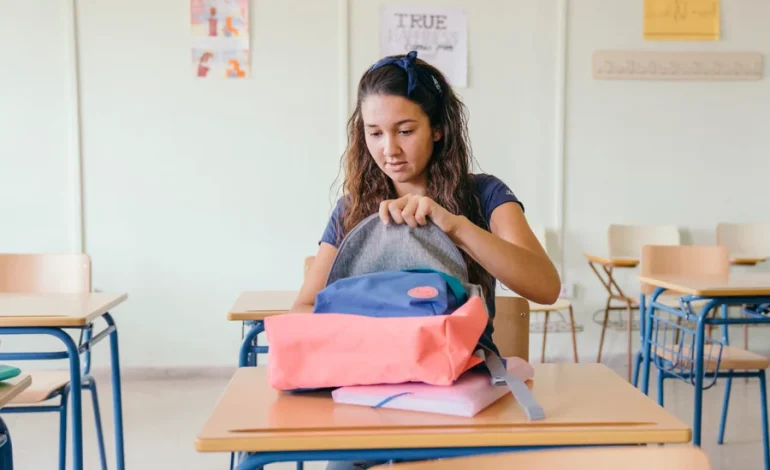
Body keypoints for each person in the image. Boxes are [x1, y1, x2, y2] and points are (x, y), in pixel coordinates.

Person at [291, 50, 561, 469]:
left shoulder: (484, 196)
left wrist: (455, 227)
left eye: (405, 130)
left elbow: (545, 287)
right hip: (369, 386)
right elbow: (304, 307)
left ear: (437, 129)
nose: (389, 149)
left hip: (461, 385)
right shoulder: (352, 209)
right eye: (374, 133)